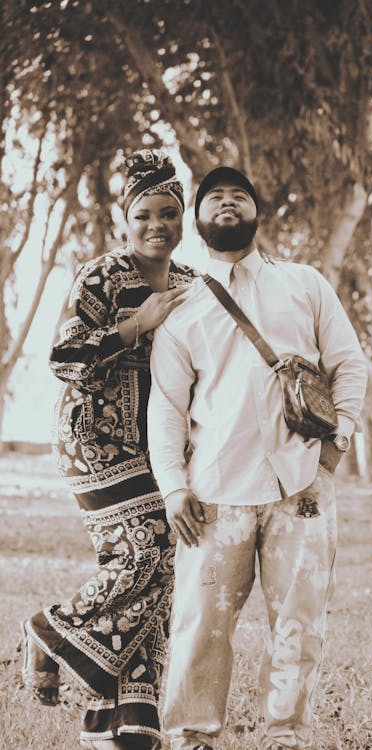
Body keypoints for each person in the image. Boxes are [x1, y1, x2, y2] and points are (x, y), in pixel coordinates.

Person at [147, 166, 368, 750]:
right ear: (197, 221)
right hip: (215, 493)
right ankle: (191, 737)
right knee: (200, 628)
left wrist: (336, 445)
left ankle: (286, 737)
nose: (225, 203)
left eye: (237, 196)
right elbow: (167, 407)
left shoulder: (304, 284)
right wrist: (173, 487)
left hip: (303, 488)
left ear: (256, 214)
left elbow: (349, 362)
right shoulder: (181, 307)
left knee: (299, 623)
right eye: (213, 197)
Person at [20, 149, 197, 750]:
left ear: (183, 219)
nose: (157, 226)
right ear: (126, 221)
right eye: (144, 214)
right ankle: (51, 628)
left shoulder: (192, 285)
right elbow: (62, 358)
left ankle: (124, 727)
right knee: (153, 547)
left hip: (161, 447)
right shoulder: (100, 276)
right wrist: (137, 325)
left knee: (160, 573)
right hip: (93, 440)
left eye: (169, 213)